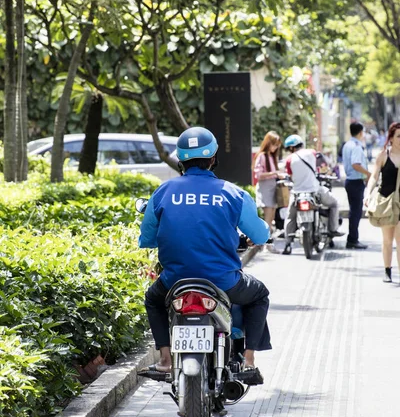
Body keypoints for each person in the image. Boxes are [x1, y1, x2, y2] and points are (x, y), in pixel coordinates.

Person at [138, 126, 271, 378]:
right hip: (224, 281)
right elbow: (261, 236)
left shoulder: (162, 193)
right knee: (259, 295)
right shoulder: (233, 194)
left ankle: (165, 360)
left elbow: (147, 239)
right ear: (213, 158)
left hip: (174, 281)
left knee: (153, 299)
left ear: (180, 160)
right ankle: (249, 361)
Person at [282, 134, 343, 255]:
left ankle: (288, 244)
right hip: (315, 191)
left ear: (291, 148)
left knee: (290, 217)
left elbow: (290, 176)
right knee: (334, 203)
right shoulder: (312, 152)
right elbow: (323, 165)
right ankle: (333, 229)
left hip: (297, 194)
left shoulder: (289, 160)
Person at [365, 122, 400, 283]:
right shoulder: (383, 155)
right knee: (387, 240)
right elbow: (374, 177)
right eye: (398, 136)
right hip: (386, 201)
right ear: (391, 138)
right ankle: (387, 270)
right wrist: (368, 193)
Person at [342, 122, 370, 249]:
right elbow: (356, 164)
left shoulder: (347, 145)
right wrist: (368, 173)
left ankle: (352, 238)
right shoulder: (356, 146)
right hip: (355, 182)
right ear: (360, 132)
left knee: (354, 211)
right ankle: (353, 239)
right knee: (356, 212)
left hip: (350, 181)